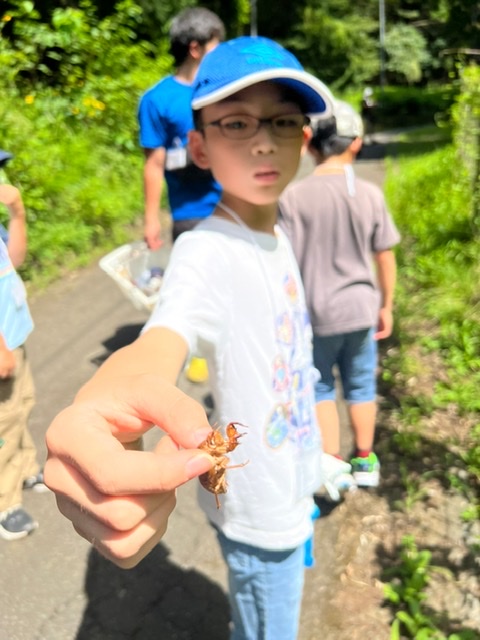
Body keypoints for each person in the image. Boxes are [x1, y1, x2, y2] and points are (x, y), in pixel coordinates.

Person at [45, 36, 336, 639]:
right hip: (259, 513)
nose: (264, 140)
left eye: (283, 120)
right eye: (237, 123)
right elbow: (163, 335)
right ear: (199, 147)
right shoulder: (206, 250)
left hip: (293, 484)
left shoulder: (278, 233)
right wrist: (110, 399)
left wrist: (318, 458)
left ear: (304, 138)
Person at [278, 100, 400, 498]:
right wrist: (386, 305)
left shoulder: (292, 197)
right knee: (361, 385)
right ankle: (364, 459)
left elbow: (283, 263)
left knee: (320, 387)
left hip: (314, 314)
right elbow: (385, 254)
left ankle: (330, 464)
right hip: (361, 309)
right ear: (357, 142)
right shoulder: (369, 193)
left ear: (309, 143)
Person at [138, 7, 225, 249]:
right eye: (215, 48)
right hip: (190, 215)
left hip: (236, 205)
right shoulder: (157, 100)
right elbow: (154, 164)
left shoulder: (225, 91)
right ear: (195, 49)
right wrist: (151, 219)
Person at [0, 161, 47, 541]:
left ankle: (26, 468)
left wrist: (17, 212)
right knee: (4, 422)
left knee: (23, 404)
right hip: (2, 346)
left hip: (13, 336)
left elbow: (14, 259)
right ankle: (5, 503)